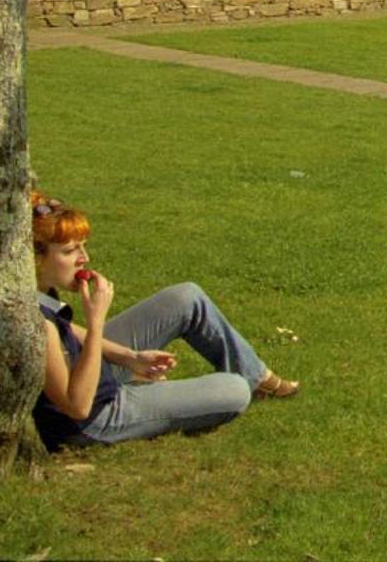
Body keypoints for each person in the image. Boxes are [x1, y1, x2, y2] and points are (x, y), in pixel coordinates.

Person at [30, 190, 300, 450]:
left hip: (92, 372)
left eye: (83, 248)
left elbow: (67, 329)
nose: (85, 259)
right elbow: (77, 407)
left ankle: (256, 374)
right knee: (235, 389)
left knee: (186, 297)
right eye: (70, 251)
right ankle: (247, 381)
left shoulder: (38, 293)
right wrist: (97, 320)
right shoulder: (38, 323)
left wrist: (129, 357)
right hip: (95, 418)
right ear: (35, 258)